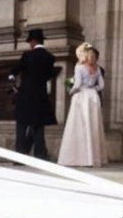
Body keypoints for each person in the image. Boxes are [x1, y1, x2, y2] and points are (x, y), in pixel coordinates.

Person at [9, 28, 57, 159]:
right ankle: (40, 154)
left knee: (21, 125)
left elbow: (15, 70)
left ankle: (20, 156)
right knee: (38, 127)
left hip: (25, 95)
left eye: (30, 41)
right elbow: (49, 75)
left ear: (33, 41)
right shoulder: (50, 57)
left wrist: (12, 78)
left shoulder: (27, 56)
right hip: (40, 95)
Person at [57, 43, 106, 167]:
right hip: (93, 96)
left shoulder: (79, 67)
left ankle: (79, 158)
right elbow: (101, 86)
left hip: (82, 96)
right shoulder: (98, 68)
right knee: (93, 126)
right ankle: (94, 158)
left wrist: (71, 90)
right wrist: (93, 88)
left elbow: (77, 84)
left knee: (79, 126)